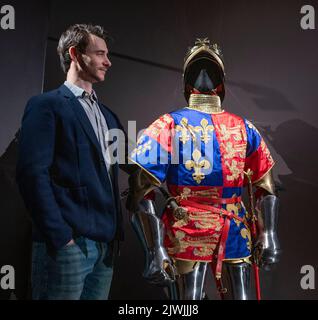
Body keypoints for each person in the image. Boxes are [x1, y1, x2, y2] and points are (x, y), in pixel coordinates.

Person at [126, 38, 281, 300]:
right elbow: (140, 190)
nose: (204, 76)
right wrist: (154, 250)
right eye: (198, 70)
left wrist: (269, 234)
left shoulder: (244, 128)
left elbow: (265, 186)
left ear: (221, 81)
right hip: (185, 227)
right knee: (188, 302)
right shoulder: (168, 125)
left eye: (211, 71)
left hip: (234, 227)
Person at [16, 24, 126, 300]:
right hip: (67, 248)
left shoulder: (109, 116)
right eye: (100, 53)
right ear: (75, 54)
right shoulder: (46, 105)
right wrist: (62, 239)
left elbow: (127, 167)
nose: (108, 61)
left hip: (105, 251)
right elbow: (31, 174)